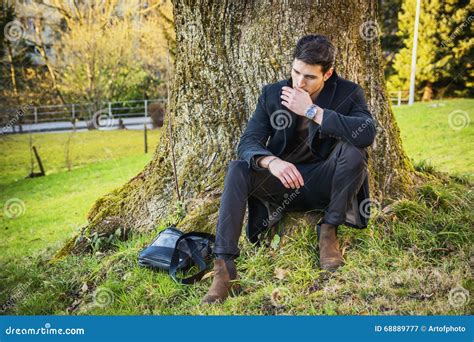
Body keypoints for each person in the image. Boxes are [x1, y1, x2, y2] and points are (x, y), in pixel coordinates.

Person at [202, 34, 376, 304]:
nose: (299, 82)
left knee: (355, 151)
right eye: (295, 72)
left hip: (326, 182)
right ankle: (225, 270)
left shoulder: (347, 92)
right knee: (238, 168)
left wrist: (312, 111)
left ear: (327, 73)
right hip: (283, 183)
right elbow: (248, 142)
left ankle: (328, 231)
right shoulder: (272, 94)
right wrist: (272, 161)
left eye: (309, 77)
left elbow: (366, 134)